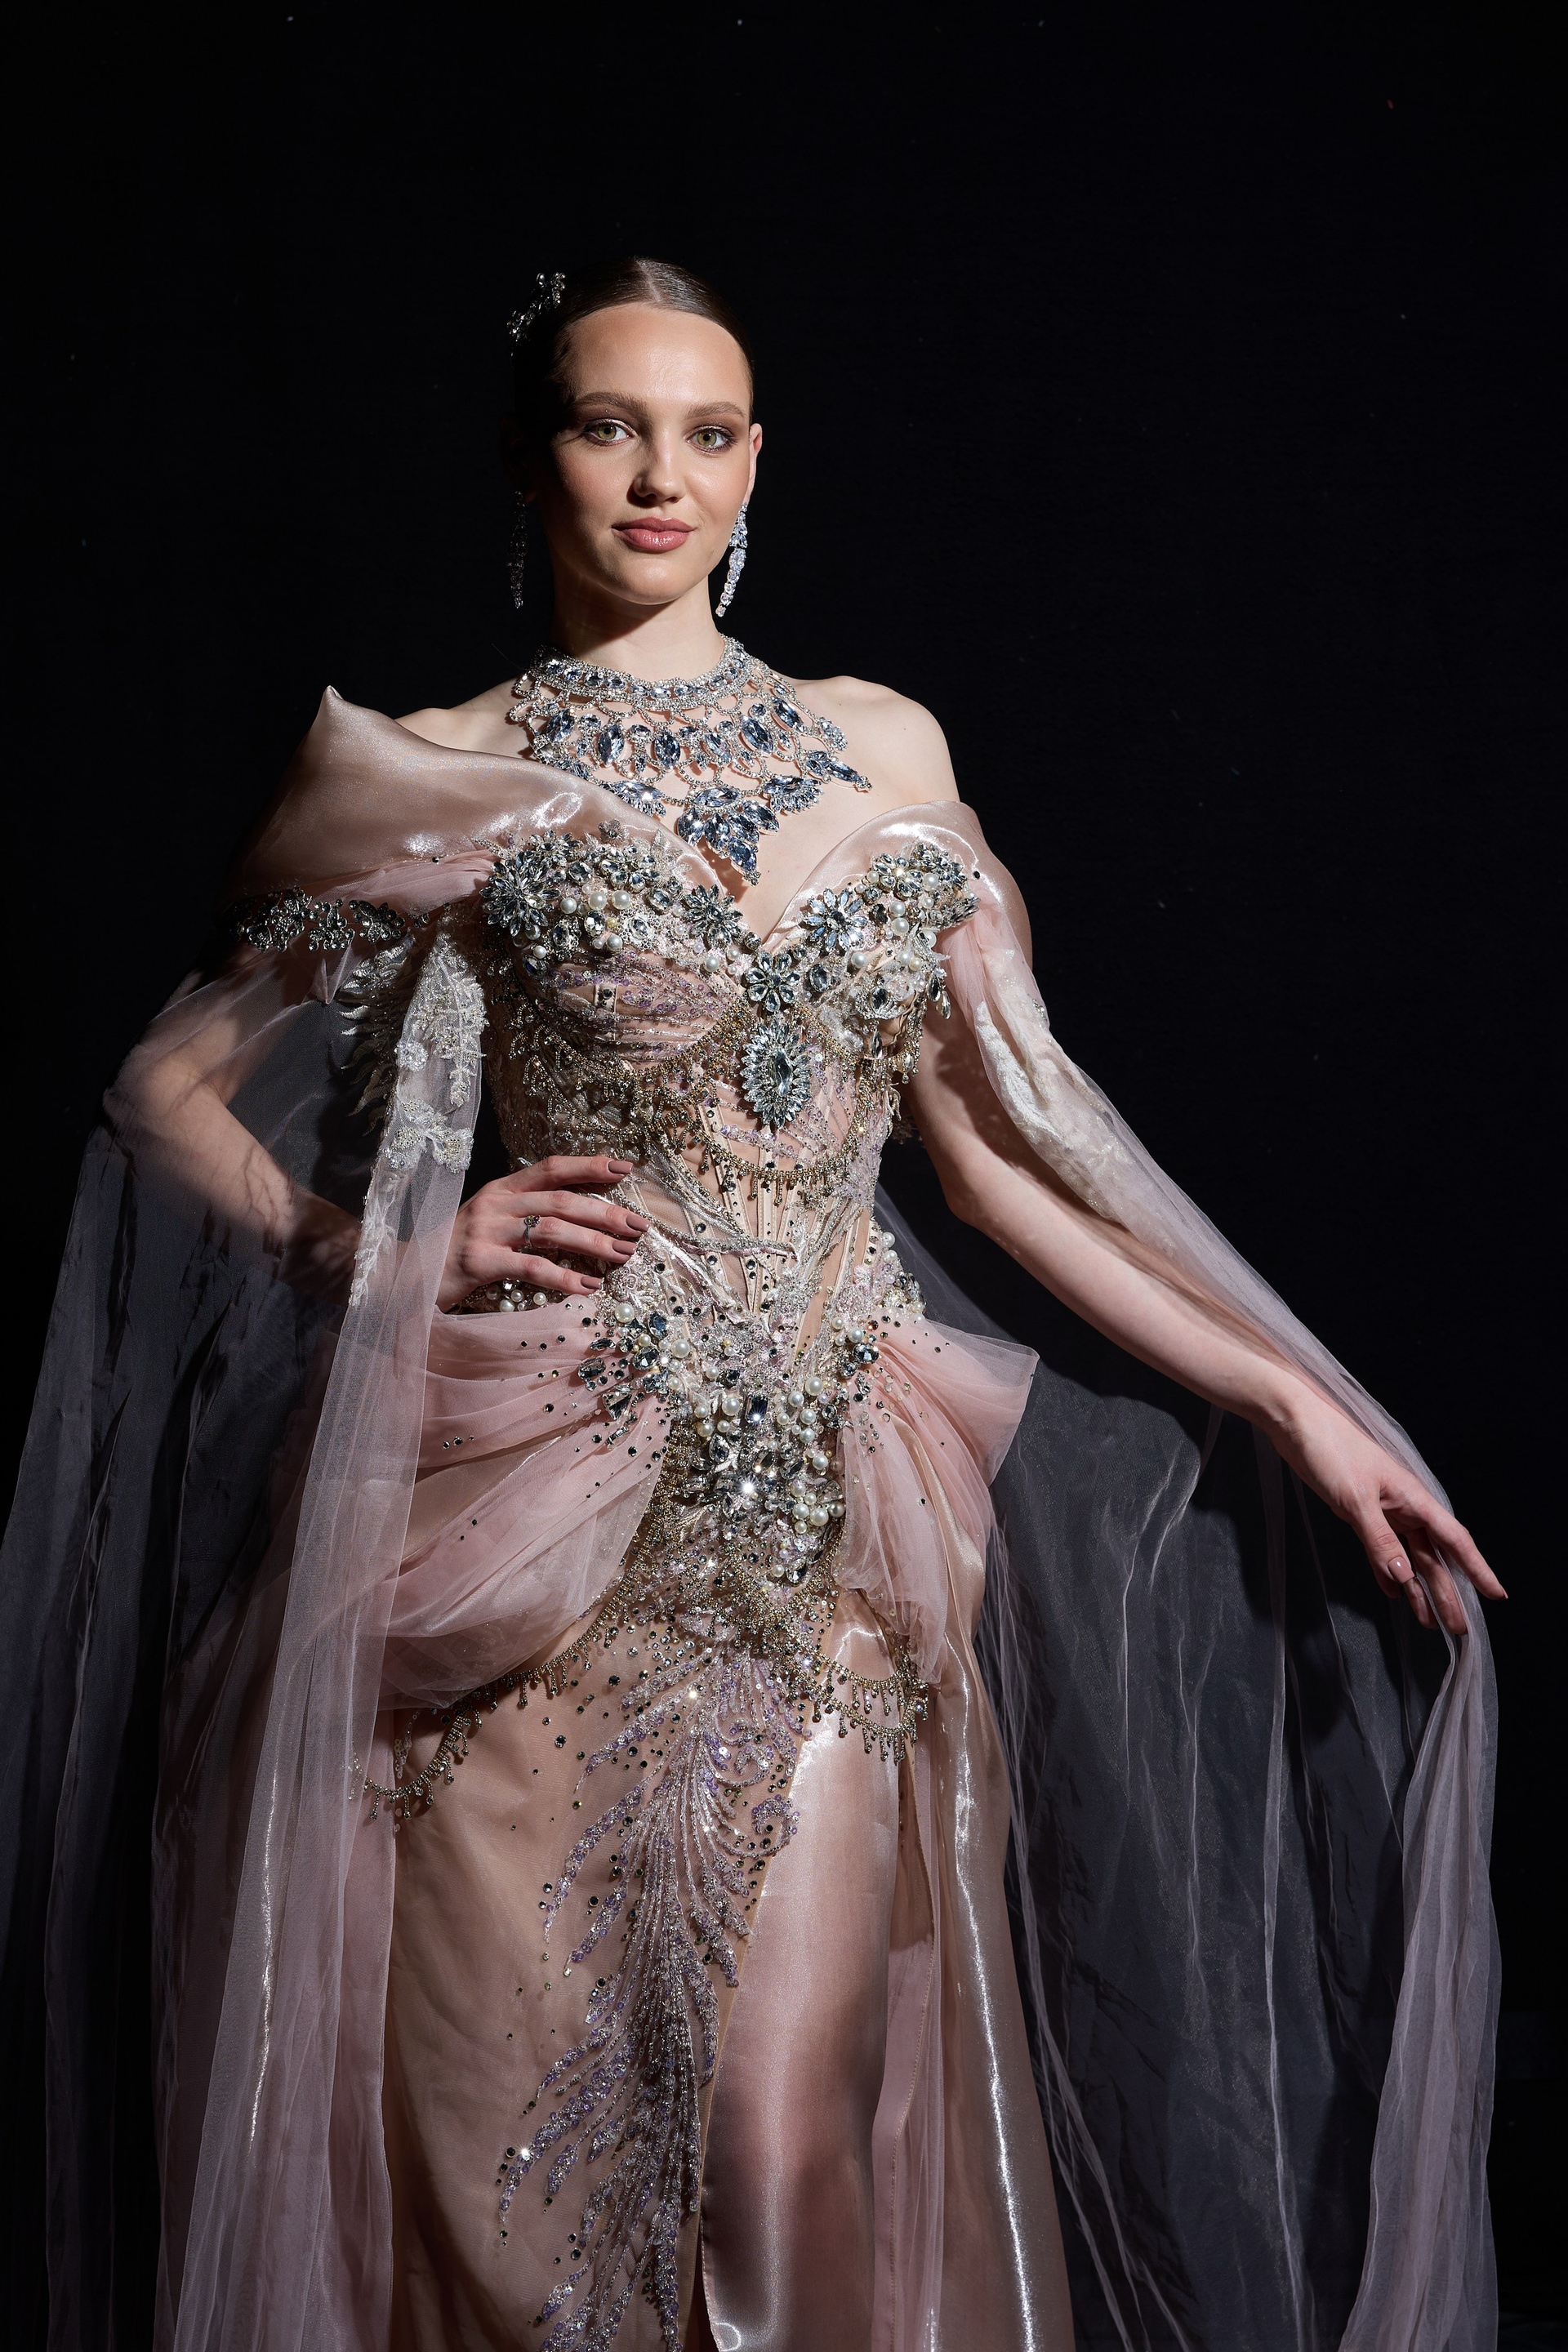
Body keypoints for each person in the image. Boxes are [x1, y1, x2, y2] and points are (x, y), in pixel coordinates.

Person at [0, 257, 1502, 2352]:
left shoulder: (884, 744)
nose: (659, 477)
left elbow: (998, 1157)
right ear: (532, 461)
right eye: (609, 425)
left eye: (705, 434)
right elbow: (163, 1089)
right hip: (533, 1515)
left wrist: (1297, 1404)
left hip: (824, 1522)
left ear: (756, 465)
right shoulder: (441, 766)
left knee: (788, 2142)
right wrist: (382, 1253)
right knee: (526, 2168)